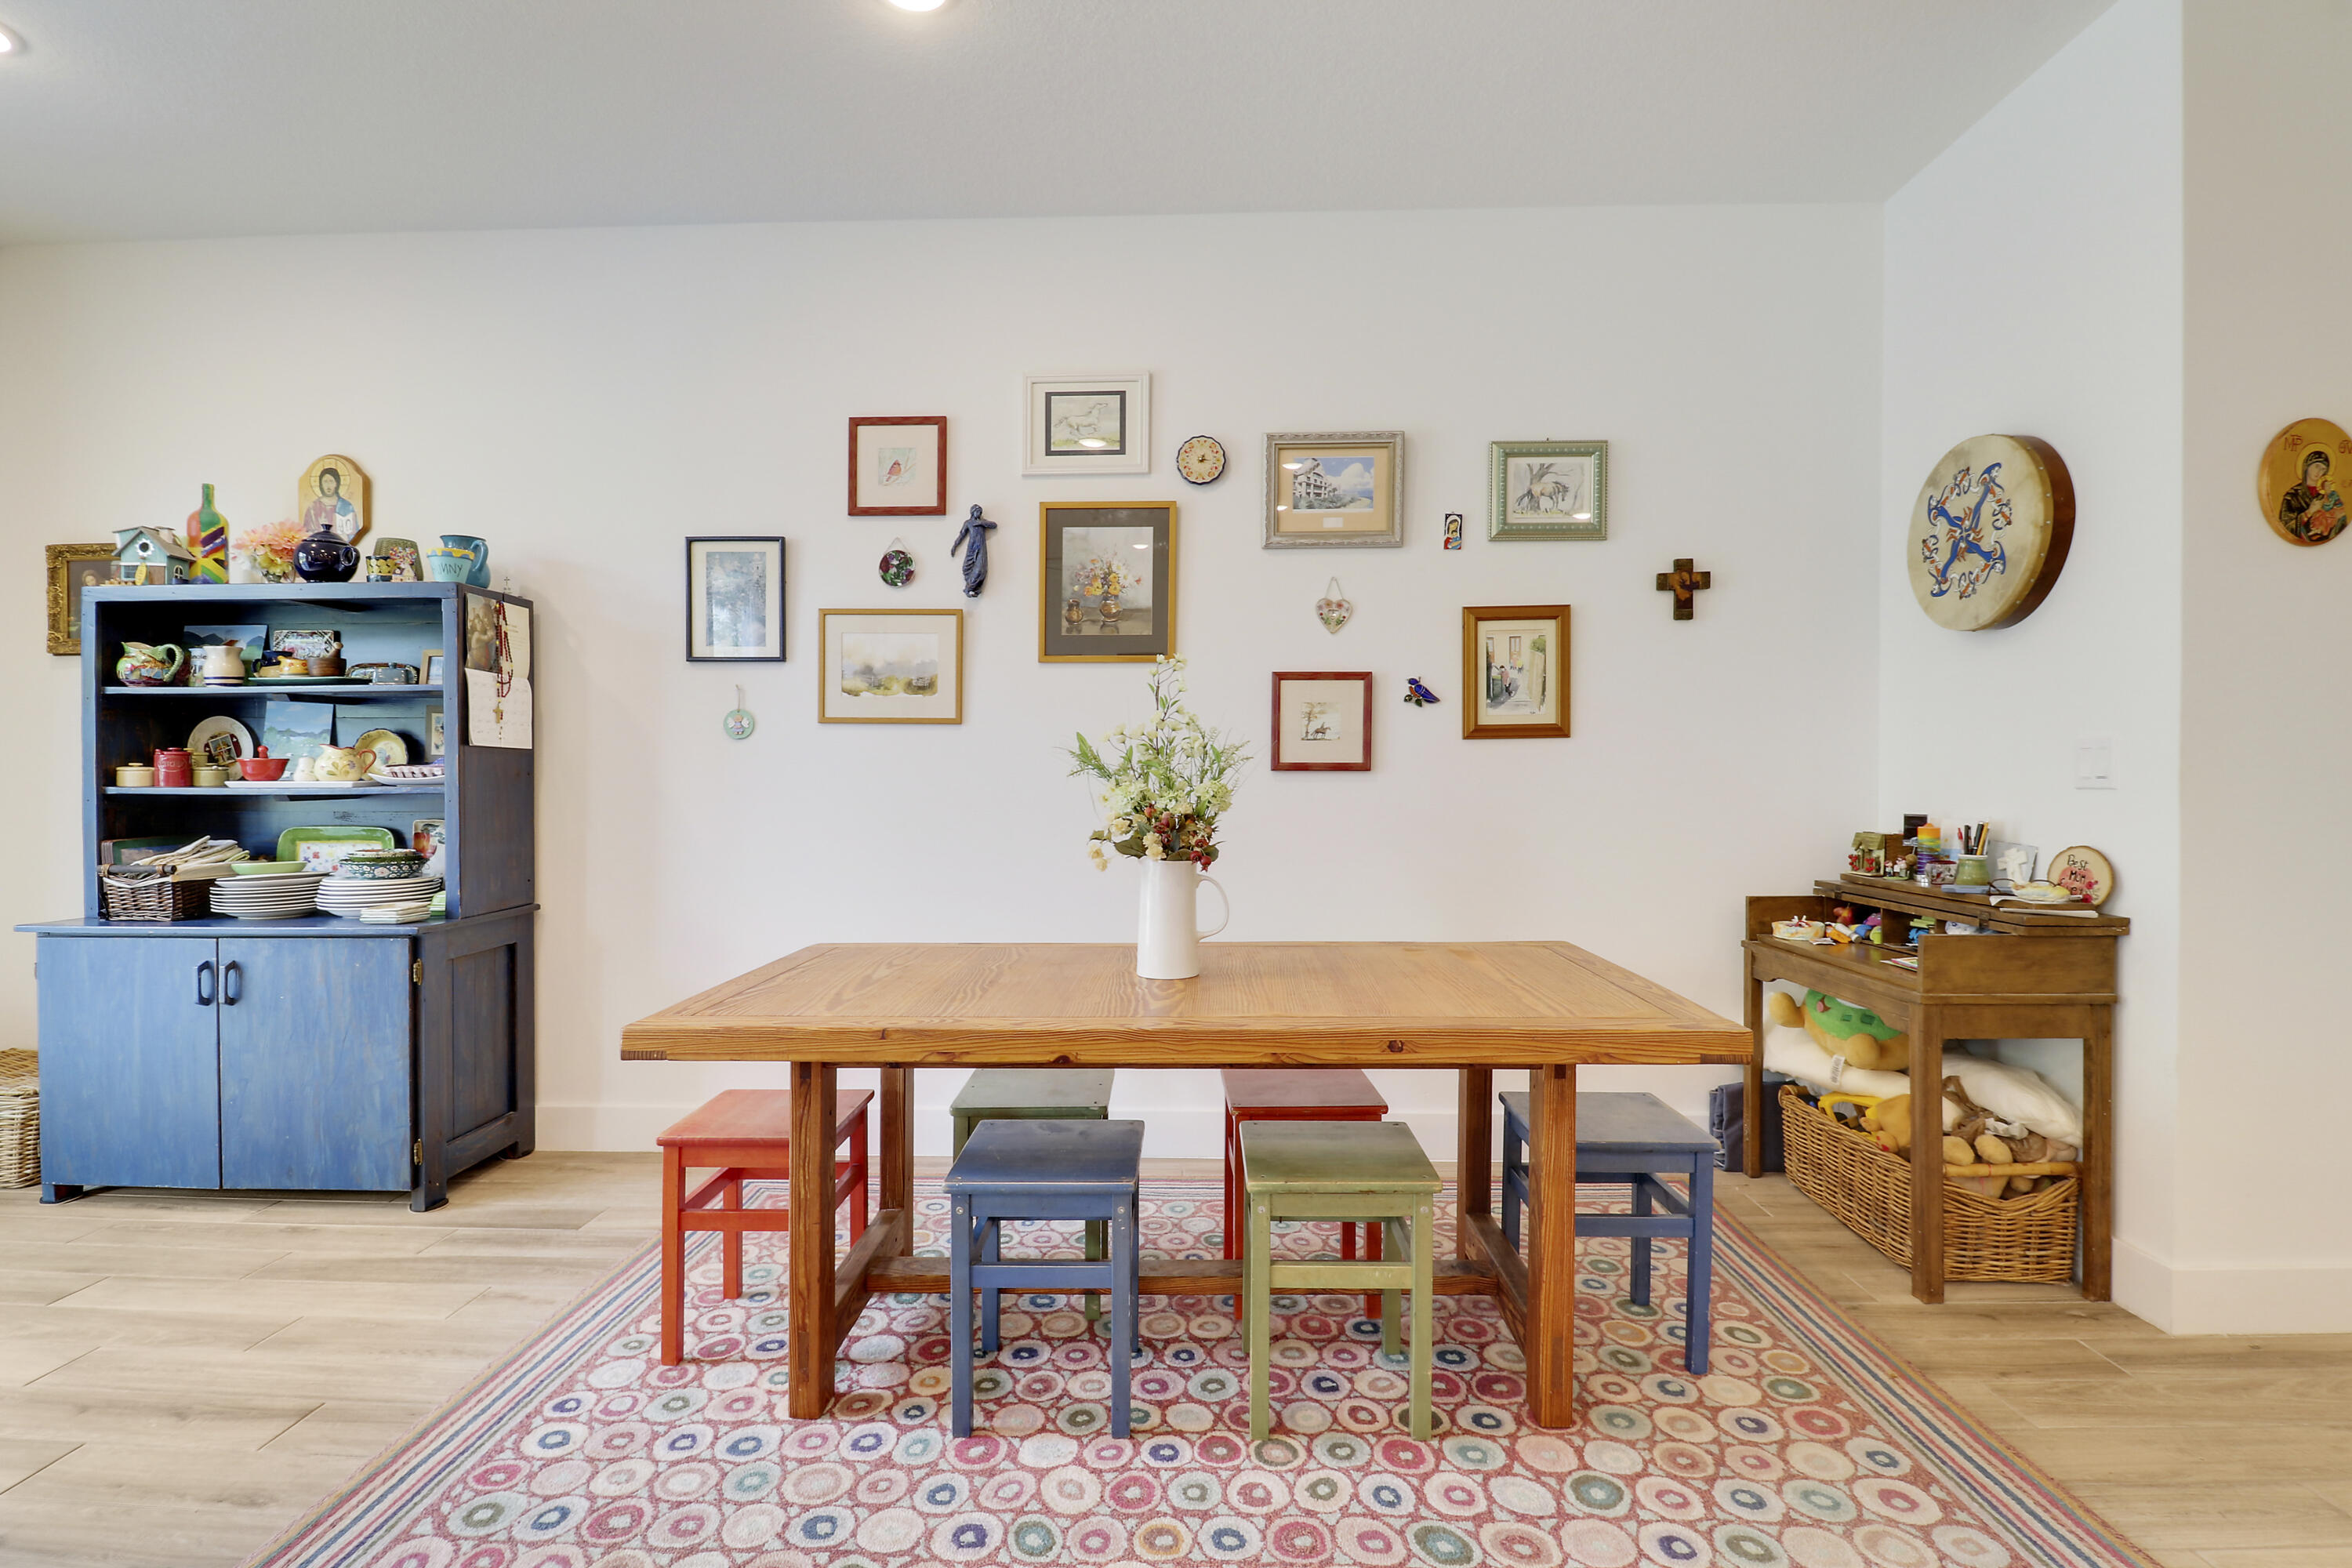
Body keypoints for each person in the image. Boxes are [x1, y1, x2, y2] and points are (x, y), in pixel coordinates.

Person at [2278, 447, 2347, 543]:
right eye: (2317, 466)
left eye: (2323, 469)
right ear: (2307, 466)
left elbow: (2342, 522)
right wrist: (2309, 512)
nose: (2319, 472)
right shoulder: (2292, 496)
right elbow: (2285, 527)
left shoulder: (2329, 494)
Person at [303, 466, 359, 539]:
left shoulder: (346, 506)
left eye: (331, 481)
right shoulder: (313, 507)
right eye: (325, 482)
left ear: (336, 483)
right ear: (321, 484)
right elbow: (307, 531)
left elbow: (353, 531)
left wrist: (345, 537)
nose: (328, 486)